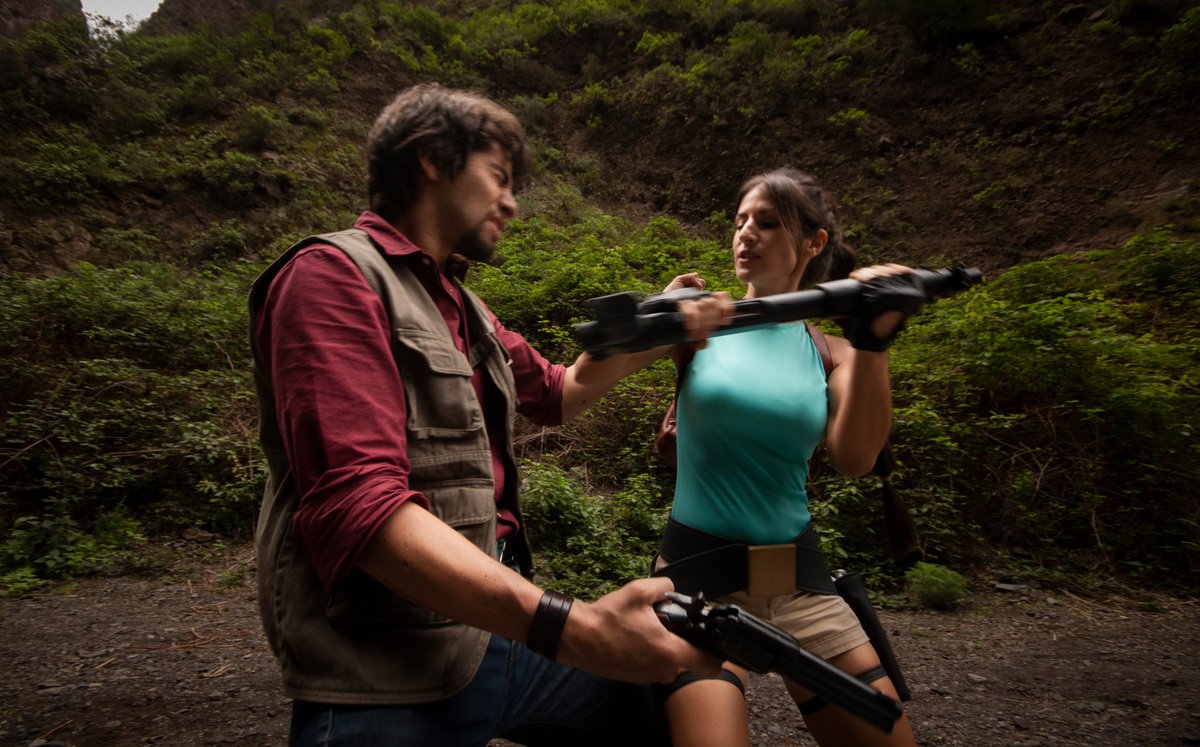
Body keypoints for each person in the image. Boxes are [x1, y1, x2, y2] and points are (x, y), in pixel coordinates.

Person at [247, 83, 731, 747]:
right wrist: (575, 627)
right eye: (500, 177)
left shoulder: (463, 307)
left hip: (492, 637)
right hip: (384, 666)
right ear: (430, 159)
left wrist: (656, 323)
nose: (511, 202)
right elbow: (359, 506)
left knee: (673, 696)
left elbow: (558, 391)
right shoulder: (332, 275)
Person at [653, 168, 922, 747]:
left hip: (800, 581)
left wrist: (874, 339)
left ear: (813, 242)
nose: (745, 233)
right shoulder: (701, 324)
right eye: (740, 221)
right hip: (698, 583)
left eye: (768, 222)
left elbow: (855, 459)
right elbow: (594, 365)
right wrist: (660, 309)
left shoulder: (836, 352)